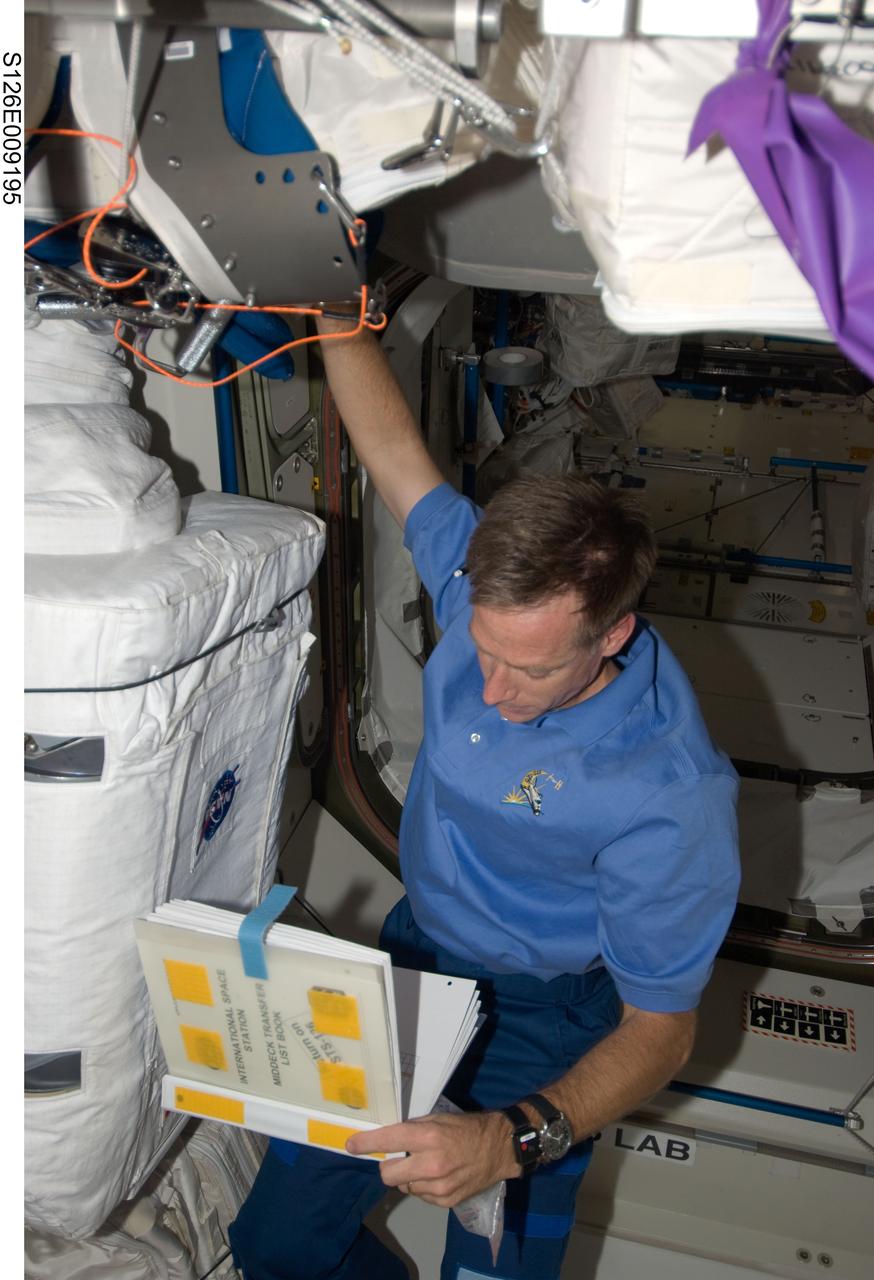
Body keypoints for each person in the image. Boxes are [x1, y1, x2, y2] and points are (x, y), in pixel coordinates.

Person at [229, 316, 740, 1280]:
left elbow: (663, 1032)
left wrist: (509, 1141)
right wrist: (338, 308)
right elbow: (391, 451)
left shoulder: (670, 794)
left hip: (546, 1021)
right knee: (276, 1247)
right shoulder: (479, 586)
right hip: (414, 961)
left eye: (532, 671)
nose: (492, 694)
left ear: (613, 634)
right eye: (484, 653)